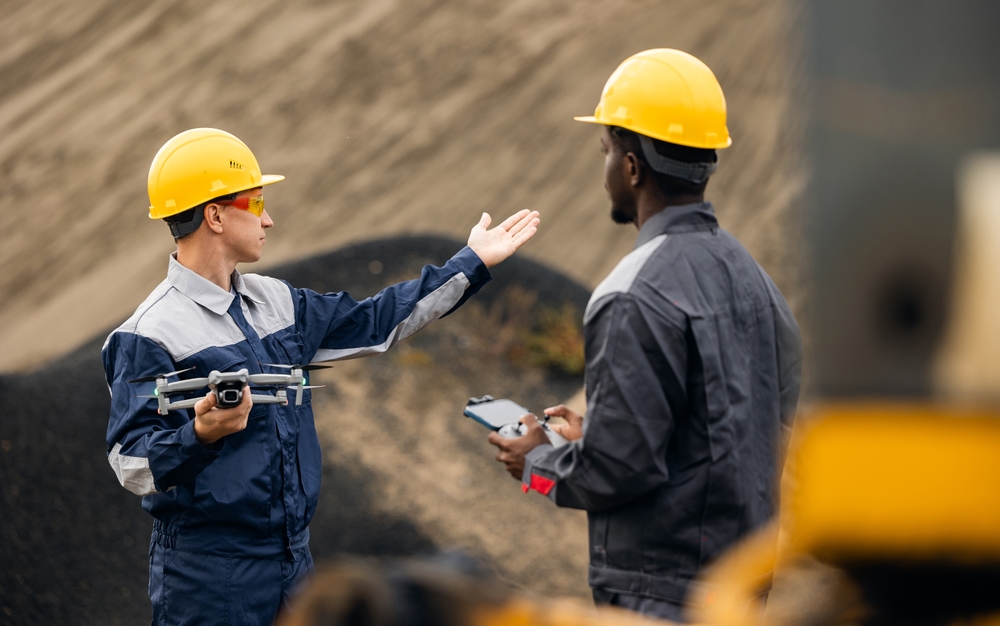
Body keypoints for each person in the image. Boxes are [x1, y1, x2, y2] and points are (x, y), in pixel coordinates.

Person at [102, 127, 540, 626]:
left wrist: (472, 262)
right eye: (256, 200)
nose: (269, 217)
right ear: (215, 214)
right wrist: (200, 435)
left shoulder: (277, 301)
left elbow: (377, 321)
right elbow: (130, 463)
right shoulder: (147, 334)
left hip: (293, 562)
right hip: (210, 579)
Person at [488, 49, 802, 622]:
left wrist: (536, 465)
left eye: (606, 152)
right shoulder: (758, 285)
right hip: (743, 589)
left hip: (660, 595)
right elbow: (746, 432)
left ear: (632, 168)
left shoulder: (632, 293)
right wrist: (603, 430)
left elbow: (621, 470)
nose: (604, 167)